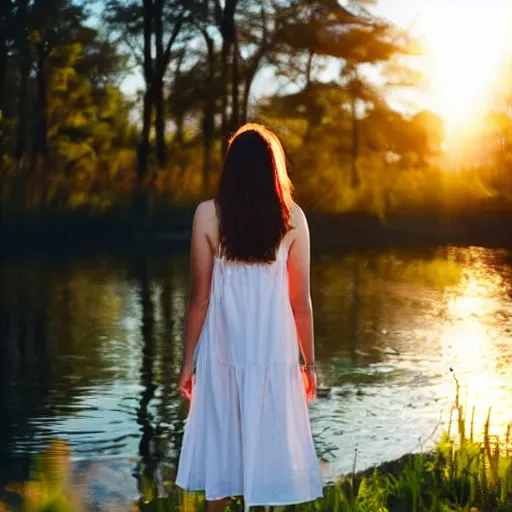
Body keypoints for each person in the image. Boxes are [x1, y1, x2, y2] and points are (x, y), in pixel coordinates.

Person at [175, 123, 323, 511]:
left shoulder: (207, 215)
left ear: (232, 167)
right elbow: (300, 303)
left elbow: (199, 299)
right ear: (274, 168)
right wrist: (309, 364)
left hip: (222, 352)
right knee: (266, 455)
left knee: (220, 452)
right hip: (272, 353)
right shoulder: (292, 218)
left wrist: (187, 362)